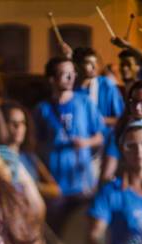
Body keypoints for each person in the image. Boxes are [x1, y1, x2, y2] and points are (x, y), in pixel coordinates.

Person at [34, 56, 104, 229]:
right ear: (52, 79)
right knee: (55, 232)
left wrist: (86, 142)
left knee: (79, 234)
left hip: (82, 183)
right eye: (64, 74)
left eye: (72, 73)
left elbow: (101, 136)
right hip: (54, 186)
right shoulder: (42, 109)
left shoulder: (85, 102)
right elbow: (34, 145)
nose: (71, 78)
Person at [1, 100, 61, 199]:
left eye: (22, 123)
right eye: (13, 122)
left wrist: (30, 185)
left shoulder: (30, 157)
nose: (18, 127)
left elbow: (55, 190)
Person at [72, 46, 125, 132]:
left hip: (105, 139)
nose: (94, 66)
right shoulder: (71, 88)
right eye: (88, 63)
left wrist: (97, 120)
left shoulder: (106, 85)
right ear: (77, 65)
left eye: (95, 62)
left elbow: (121, 119)